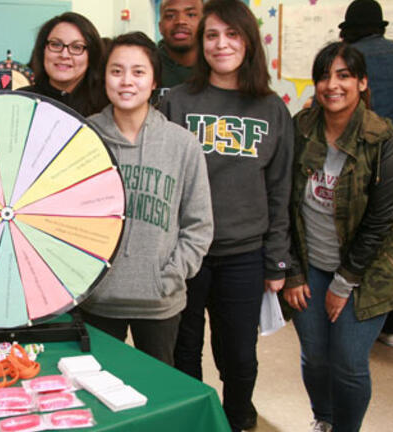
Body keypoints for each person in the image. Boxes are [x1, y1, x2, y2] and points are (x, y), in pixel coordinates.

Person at [160, 0, 293, 429]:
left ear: (249, 41)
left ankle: (238, 418)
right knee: (182, 349)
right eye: (212, 35)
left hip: (243, 253)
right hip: (184, 252)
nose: (221, 44)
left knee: (238, 353)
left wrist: (277, 260)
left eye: (232, 35)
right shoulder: (176, 103)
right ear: (202, 43)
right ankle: (189, 418)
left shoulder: (272, 109)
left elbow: (279, 190)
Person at [285, 42, 393, 432]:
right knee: (315, 357)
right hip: (309, 265)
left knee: (349, 364)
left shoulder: (382, 138)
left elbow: (381, 220)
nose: (331, 85)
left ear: (362, 82)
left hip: (366, 272)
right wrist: (292, 272)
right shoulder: (299, 129)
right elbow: (281, 206)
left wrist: (344, 281)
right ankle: (324, 419)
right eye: (323, 76)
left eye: (343, 75)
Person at [80, 32, 213, 366]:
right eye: (116, 71)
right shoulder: (83, 137)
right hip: (97, 299)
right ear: (104, 76)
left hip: (159, 300)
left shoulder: (182, 144)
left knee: (156, 393)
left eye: (138, 72)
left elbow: (199, 225)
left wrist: (169, 277)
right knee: (97, 386)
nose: (127, 81)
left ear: (154, 81)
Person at [339, 0, 393, 348]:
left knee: (358, 239)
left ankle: (359, 324)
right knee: (391, 238)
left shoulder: (348, 58)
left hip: (367, 158)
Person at [18, 12, 108, 117]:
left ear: (91, 55)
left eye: (77, 47)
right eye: (55, 44)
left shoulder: (106, 106)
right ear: (43, 50)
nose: (64, 55)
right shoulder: (21, 101)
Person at [157, 0, 204, 91]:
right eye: (170, 16)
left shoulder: (218, 65)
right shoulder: (147, 66)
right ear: (160, 27)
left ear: (205, 23)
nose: (180, 21)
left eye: (191, 15)